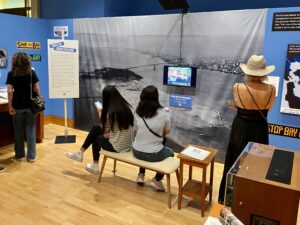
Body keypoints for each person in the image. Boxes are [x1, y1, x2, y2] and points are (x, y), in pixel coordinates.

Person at [218, 55, 276, 204]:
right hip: (260, 129)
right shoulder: (271, 90)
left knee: (235, 162)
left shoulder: (238, 87)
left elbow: (246, 105)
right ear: (264, 72)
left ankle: (229, 198)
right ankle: (253, 199)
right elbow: (267, 108)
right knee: (258, 163)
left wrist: (242, 107)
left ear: (248, 71)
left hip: (241, 128)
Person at [66, 85, 134, 174]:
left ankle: (93, 163)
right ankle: (81, 154)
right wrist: (109, 134)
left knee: (96, 137)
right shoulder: (128, 107)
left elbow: (105, 129)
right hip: (128, 144)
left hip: (118, 147)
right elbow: (119, 129)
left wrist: (99, 112)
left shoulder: (111, 113)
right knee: (95, 129)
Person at [132, 85, 174, 192]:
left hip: (136, 151)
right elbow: (167, 131)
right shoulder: (165, 112)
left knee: (144, 143)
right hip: (153, 154)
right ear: (156, 97)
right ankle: (157, 180)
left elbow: (135, 129)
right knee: (171, 153)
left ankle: (141, 175)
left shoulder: (137, 112)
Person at [6, 52, 41, 162]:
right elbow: (37, 88)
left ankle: (20, 154)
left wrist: (10, 105)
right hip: (31, 106)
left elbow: (10, 91)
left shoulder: (11, 74)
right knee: (31, 130)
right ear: (27, 62)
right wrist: (39, 100)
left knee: (18, 131)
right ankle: (31, 156)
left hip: (17, 106)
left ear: (14, 62)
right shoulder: (31, 73)